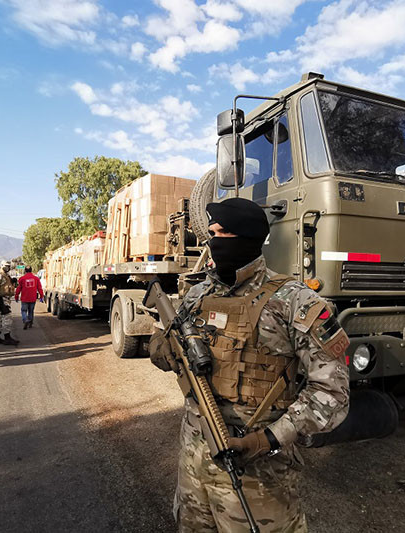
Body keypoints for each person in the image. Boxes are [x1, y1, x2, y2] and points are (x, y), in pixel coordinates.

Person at [149, 198, 350, 532]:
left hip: (257, 475)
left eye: (221, 233)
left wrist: (268, 439)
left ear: (247, 238)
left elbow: (333, 391)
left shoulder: (294, 301)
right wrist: (161, 347)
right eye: (211, 233)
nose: (213, 242)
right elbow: (166, 348)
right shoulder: (197, 295)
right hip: (194, 463)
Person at [0, 261, 19, 345]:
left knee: (0, 318)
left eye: (9, 266)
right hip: (2, 299)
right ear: (2, 266)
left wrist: (13, 282)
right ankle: (7, 337)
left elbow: (9, 286)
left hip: (6, 298)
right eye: (6, 266)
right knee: (7, 317)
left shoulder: (6, 276)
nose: (8, 267)